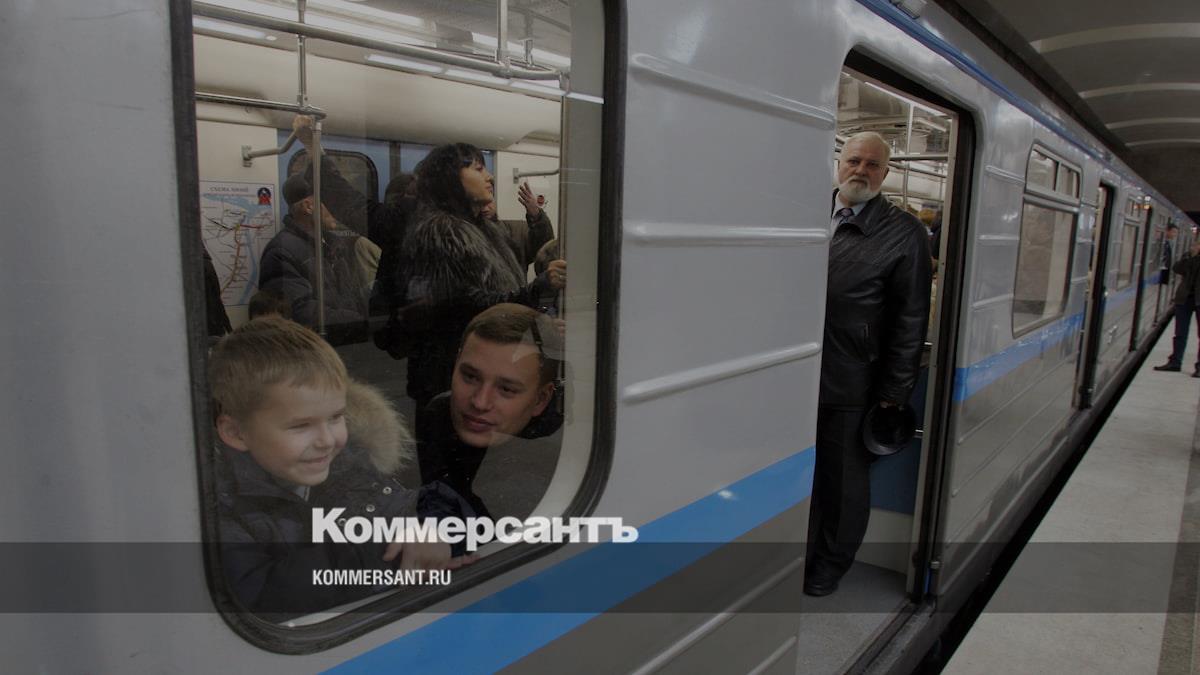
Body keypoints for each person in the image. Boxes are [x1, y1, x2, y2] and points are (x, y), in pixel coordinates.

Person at [210, 316, 473, 617]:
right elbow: (259, 600)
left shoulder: (348, 467)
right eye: (301, 426)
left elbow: (413, 506)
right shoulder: (221, 511)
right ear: (236, 432)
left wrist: (433, 526)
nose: (327, 440)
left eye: (336, 417)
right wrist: (373, 548)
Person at [805, 132, 932, 597]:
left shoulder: (904, 233)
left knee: (843, 483)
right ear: (839, 163)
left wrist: (894, 393)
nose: (861, 170)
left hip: (851, 380)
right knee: (795, 476)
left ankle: (829, 565)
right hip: (791, 375)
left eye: (873, 164)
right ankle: (793, 555)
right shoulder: (805, 213)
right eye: (854, 160)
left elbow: (910, 319)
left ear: (886, 173)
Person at [399, 143, 566, 436]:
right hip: (450, 370)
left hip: (477, 363)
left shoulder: (482, 229)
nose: (489, 177)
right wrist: (537, 290)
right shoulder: (441, 232)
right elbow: (465, 306)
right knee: (450, 449)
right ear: (451, 178)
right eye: (478, 169)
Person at [417, 304, 561, 519]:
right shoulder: (439, 416)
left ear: (541, 399)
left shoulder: (573, 457)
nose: (480, 402)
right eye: (470, 377)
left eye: (506, 389)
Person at [258, 174, 375, 346]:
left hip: (347, 343)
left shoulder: (333, 244)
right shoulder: (281, 252)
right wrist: (363, 322)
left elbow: (352, 294)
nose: (338, 211)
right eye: (331, 203)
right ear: (309, 206)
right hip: (316, 349)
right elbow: (301, 313)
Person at [481, 181, 555, 276]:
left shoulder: (517, 231)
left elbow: (545, 251)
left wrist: (537, 217)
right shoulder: (466, 238)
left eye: (488, 200)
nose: (485, 208)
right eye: (478, 202)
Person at [1154, 238, 1200, 375]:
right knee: (1180, 333)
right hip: (1184, 298)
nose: (1195, 246)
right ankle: (1175, 363)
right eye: (1196, 244)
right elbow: (1177, 268)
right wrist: (1191, 256)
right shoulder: (1188, 256)